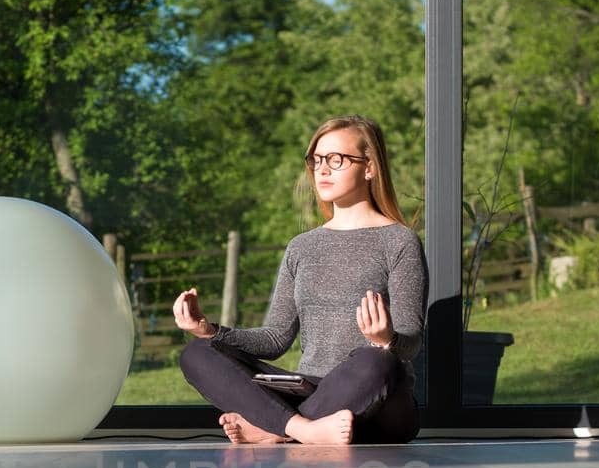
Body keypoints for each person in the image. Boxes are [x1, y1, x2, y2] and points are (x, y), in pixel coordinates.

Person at [173, 114, 427, 445]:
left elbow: (411, 343)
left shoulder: (400, 241)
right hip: (308, 390)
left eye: (336, 160)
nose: (322, 169)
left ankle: (274, 430)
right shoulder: (302, 247)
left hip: (380, 402)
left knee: (376, 360)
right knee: (197, 353)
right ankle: (302, 430)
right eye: (317, 160)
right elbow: (275, 339)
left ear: (369, 167)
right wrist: (209, 331)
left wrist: (386, 338)